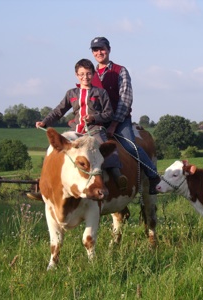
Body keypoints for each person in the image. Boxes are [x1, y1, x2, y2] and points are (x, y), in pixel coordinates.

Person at [26, 59, 127, 201]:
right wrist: (45, 122)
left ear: (93, 74)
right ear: (76, 75)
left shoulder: (101, 93)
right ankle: (44, 189)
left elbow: (108, 114)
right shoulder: (71, 93)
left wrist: (93, 117)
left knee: (107, 150)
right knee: (54, 151)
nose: (85, 77)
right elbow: (59, 111)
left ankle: (117, 176)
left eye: (88, 74)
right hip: (76, 131)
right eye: (81, 74)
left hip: (94, 130)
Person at [89, 37, 160, 195]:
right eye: (95, 50)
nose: (99, 52)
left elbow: (125, 99)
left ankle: (153, 176)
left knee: (130, 146)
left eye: (102, 49)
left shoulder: (120, 71)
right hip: (98, 122)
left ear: (109, 49)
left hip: (119, 120)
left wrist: (114, 124)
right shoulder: (90, 74)